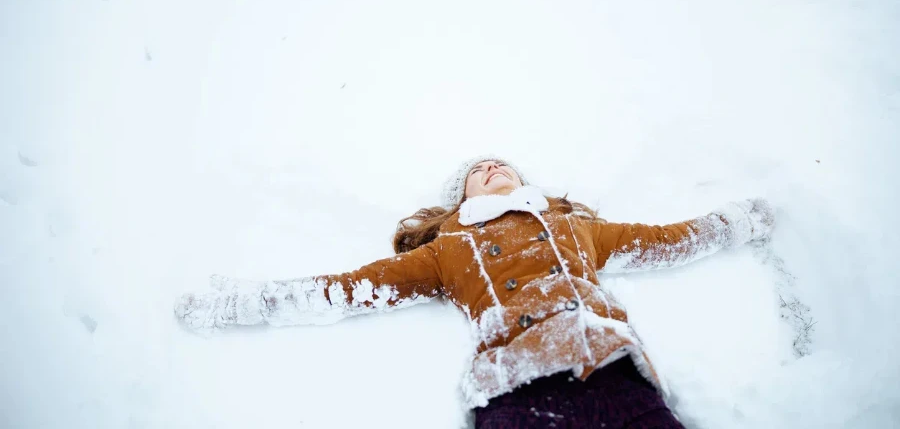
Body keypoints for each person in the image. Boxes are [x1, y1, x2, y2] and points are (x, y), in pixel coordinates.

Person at [176, 156, 775, 428]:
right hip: (514, 386)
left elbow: (667, 239)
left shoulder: (574, 226)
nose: (492, 168)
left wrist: (734, 222)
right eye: (476, 171)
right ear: (460, 199)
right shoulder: (450, 249)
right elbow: (352, 288)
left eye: (500, 164)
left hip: (610, 367)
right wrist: (251, 302)